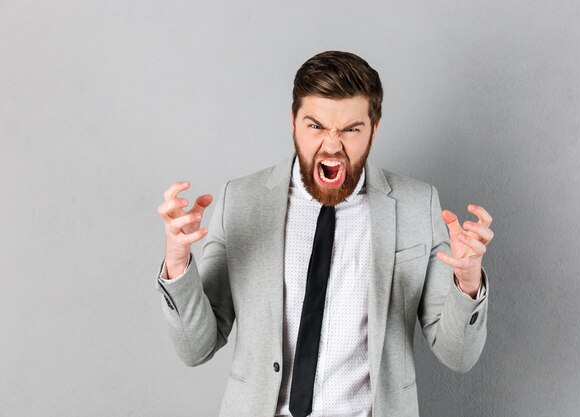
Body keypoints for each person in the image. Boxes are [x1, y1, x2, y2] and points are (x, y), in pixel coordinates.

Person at [155, 50, 493, 417]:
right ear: (293, 122)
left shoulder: (417, 205)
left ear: (373, 130)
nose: (332, 146)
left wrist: (467, 281)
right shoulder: (241, 200)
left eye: (350, 129)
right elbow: (196, 348)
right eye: (315, 126)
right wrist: (176, 262)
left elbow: (458, 356)